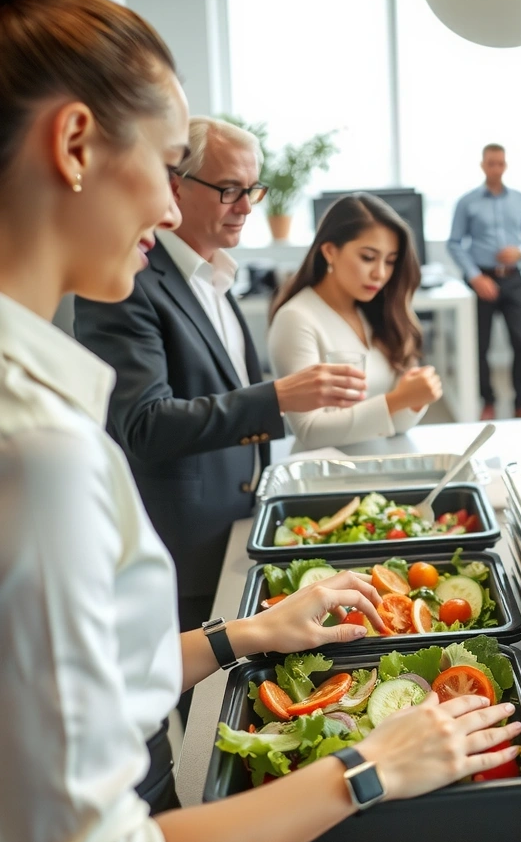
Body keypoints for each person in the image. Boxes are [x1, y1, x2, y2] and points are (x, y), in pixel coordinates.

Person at [0, 0, 521, 842]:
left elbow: (86, 676)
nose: (168, 206)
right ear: (73, 144)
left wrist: (242, 638)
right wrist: (369, 769)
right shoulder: (40, 449)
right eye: (163, 162)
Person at [74, 117, 367, 722]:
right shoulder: (129, 280)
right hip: (183, 541)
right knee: (185, 717)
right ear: (176, 184)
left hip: (238, 524)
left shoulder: (219, 275)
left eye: (253, 191)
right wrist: (276, 397)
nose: (245, 207)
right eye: (229, 189)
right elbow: (145, 425)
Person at [267, 193, 443, 451]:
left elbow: (395, 425)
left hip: (378, 471)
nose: (380, 273)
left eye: (390, 261)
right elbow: (309, 430)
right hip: (325, 479)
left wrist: (414, 399)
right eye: (368, 258)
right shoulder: (296, 319)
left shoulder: (376, 314)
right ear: (329, 251)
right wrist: (397, 399)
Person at [448, 144, 521, 420]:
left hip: (513, 278)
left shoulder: (520, 200)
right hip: (483, 280)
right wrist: (474, 276)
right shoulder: (467, 202)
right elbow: (454, 243)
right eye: (491, 163)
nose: (496, 168)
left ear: (505, 165)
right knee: (480, 345)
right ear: (483, 165)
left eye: (500, 163)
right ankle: (487, 400)